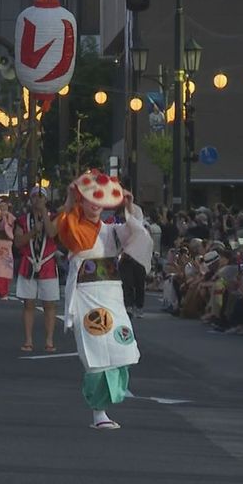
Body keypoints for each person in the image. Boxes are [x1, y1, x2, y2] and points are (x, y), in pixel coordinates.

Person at [56, 170, 147, 430]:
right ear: (81, 201)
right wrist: (70, 200)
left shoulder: (111, 230)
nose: (94, 205)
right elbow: (67, 231)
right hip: (87, 298)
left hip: (112, 296)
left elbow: (136, 234)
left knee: (122, 349)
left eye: (99, 200)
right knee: (95, 356)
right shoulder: (73, 223)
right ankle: (99, 412)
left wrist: (129, 206)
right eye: (88, 199)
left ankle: (104, 406)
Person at [14, 187, 60, 352]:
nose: (37, 200)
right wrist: (33, 231)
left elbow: (52, 233)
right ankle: (28, 340)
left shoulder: (54, 217)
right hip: (29, 264)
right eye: (34, 197)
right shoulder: (22, 220)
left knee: (49, 304)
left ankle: (49, 340)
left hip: (47, 264)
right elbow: (18, 242)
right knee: (28, 303)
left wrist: (44, 215)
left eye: (40, 197)